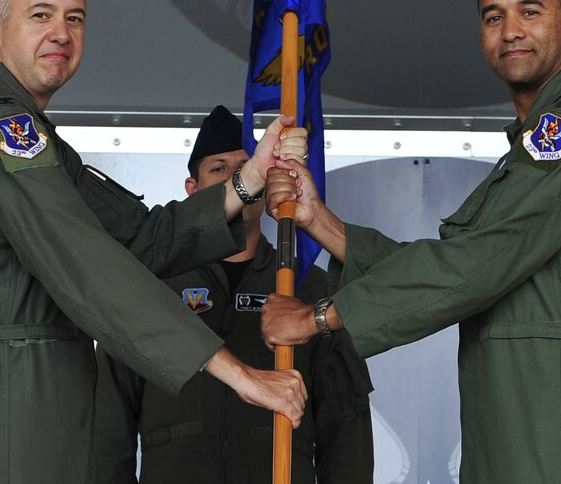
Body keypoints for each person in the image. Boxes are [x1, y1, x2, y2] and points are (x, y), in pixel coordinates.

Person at [0, 0, 310, 484]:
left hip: (42, 410)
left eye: (75, 18)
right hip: (7, 414)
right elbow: (89, 266)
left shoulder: (37, 137)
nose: (61, 34)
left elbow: (139, 241)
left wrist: (249, 181)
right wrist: (237, 372)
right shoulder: (0, 126)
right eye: (40, 15)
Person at [262, 0, 561, 483]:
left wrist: (316, 317)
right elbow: (465, 265)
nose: (510, 31)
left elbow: (474, 267)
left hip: (557, 427)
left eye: (529, 11)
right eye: (494, 16)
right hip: (518, 423)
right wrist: (317, 220)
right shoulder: (531, 146)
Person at [93, 106, 374, 484]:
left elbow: (345, 430)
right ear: (192, 189)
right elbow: (107, 429)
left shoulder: (308, 290)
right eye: (220, 169)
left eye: (245, 167)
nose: (238, 179)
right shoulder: (151, 287)